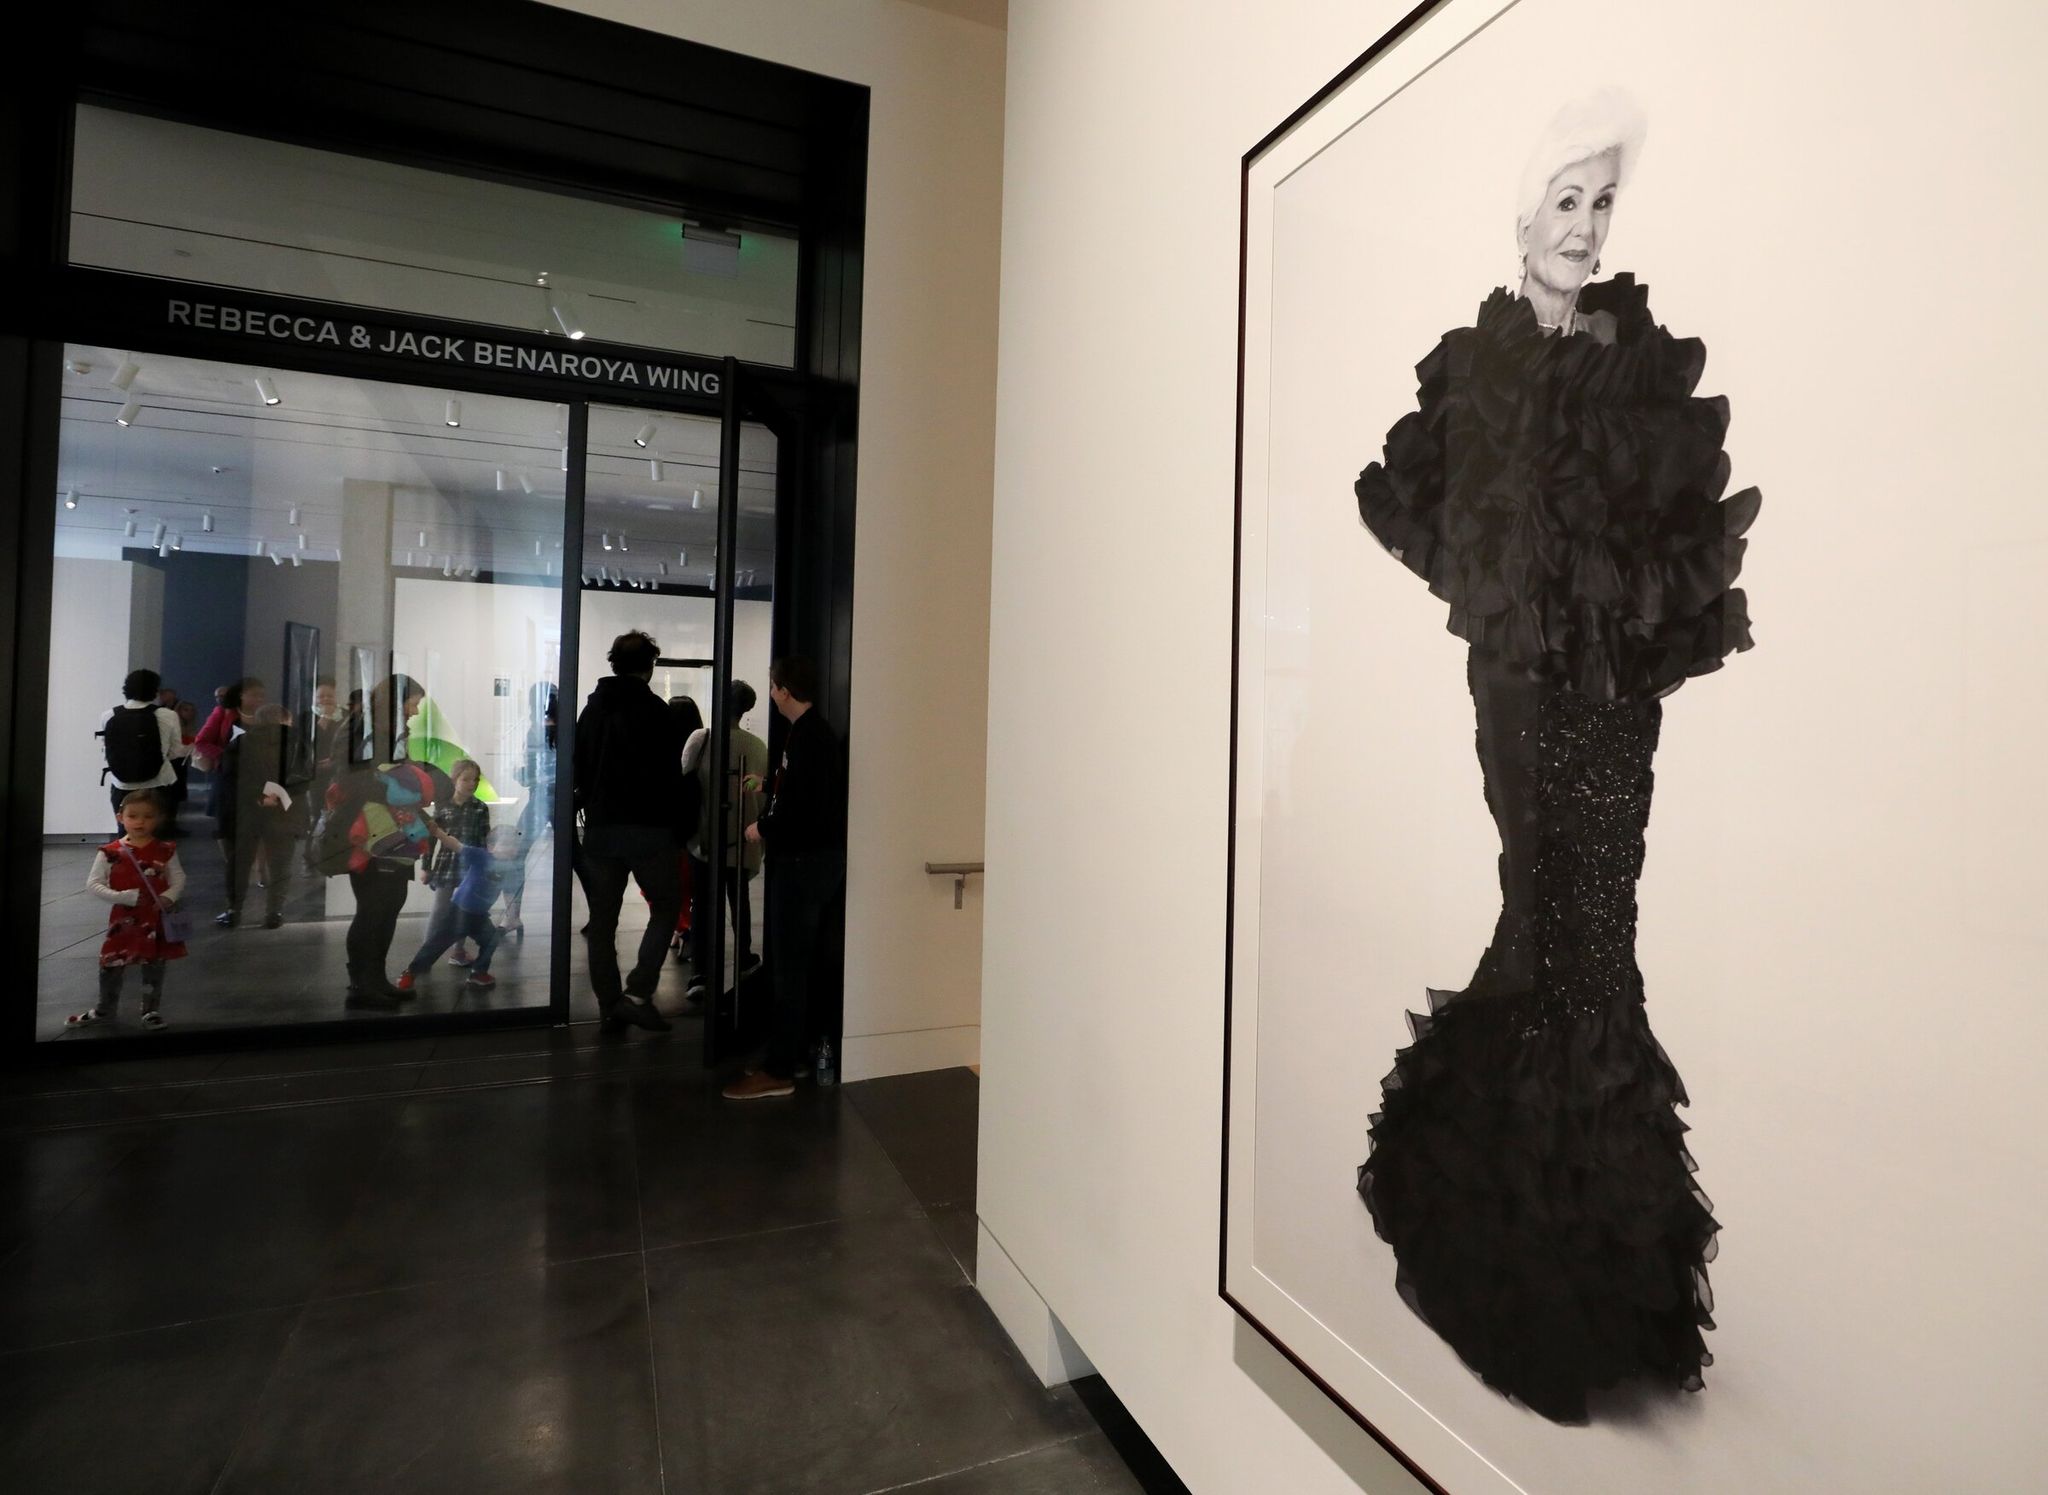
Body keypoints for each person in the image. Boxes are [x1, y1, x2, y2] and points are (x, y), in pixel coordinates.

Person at [1349, 90, 1756, 1422]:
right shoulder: (1481, 363)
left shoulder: (1635, 353)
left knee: (1597, 926)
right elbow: (1395, 489)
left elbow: (1680, 522)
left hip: (1617, 697)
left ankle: (1586, 1246)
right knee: (1556, 920)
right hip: (1523, 691)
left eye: (1600, 202)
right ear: (1522, 217)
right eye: (1564, 201)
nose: (1583, 226)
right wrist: (1490, 585)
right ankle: (1530, 1250)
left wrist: (1625, 605)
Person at [724, 656, 845, 1100]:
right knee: (795, 965)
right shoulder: (814, 734)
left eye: (774, 686)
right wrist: (770, 787)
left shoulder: (810, 737)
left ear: (784, 690)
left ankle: (780, 1069)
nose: (772, 694)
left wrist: (763, 828)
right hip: (813, 864)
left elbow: (806, 809)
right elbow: (805, 795)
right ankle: (788, 1053)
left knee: (790, 969)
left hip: (803, 866)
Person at [313, 673, 448, 1010]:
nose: (416, 711)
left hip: (392, 833)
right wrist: (401, 789)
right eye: (413, 703)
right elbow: (352, 776)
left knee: (388, 906)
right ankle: (362, 983)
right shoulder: (362, 727)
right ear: (398, 700)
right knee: (373, 909)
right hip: (370, 833)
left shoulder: (385, 730)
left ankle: (375, 979)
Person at [573, 630, 683, 1033]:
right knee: (666, 906)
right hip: (649, 829)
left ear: (614, 663)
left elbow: (578, 766)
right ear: (649, 666)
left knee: (602, 921)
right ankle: (638, 993)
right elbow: (671, 774)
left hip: (602, 829)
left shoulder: (592, 710)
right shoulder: (656, 711)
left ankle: (609, 1003)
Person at [68, 789, 187, 1029]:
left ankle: (150, 1010)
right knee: (111, 963)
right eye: (133, 816)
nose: (140, 822)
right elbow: (93, 884)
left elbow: (179, 878)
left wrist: (168, 897)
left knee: (154, 964)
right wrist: (122, 897)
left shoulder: (166, 850)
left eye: (148, 816)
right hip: (123, 920)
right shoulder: (110, 852)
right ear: (120, 817)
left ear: (159, 818)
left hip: (155, 919)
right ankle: (105, 1008)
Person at [682, 682, 766, 1006]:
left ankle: (701, 972)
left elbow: (686, 780)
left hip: (704, 841)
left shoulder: (700, 740)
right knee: (739, 900)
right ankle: (743, 957)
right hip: (742, 840)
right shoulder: (757, 746)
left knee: (703, 905)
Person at [215, 703, 304, 929]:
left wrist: (259, 796)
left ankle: (234, 911)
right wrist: (281, 796)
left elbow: (231, 777)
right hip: (286, 810)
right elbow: (304, 775)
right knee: (281, 863)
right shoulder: (298, 740)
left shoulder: (242, 742)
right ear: (286, 719)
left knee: (240, 862)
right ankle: (275, 912)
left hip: (248, 811)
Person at [398, 825, 508, 994]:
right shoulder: (481, 856)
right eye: (506, 844)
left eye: (515, 845)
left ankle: (478, 973)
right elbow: (456, 845)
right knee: (436, 945)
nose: (511, 848)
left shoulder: (510, 868)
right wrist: (438, 832)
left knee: (491, 941)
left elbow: (511, 890)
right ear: (491, 847)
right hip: (459, 912)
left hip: (479, 916)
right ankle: (410, 973)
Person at [415, 758, 489, 966]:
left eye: (475, 780)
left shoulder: (480, 808)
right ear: (455, 780)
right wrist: (426, 867)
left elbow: (484, 839)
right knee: (440, 910)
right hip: (447, 865)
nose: (471, 784)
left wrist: (485, 865)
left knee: (463, 910)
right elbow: (430, 838)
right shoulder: (443, 806)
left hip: (471, 866)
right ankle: (426, 953)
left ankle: (458, 951)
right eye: (466, 779)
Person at [97, 668, 188, 836]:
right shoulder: (167, 715)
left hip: (121, 784)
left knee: (126, 835)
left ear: (126, 688)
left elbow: (106, 750)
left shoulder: (108, 715)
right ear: (155, 690)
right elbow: (176, 752)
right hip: (158, 783)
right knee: (159, 836)